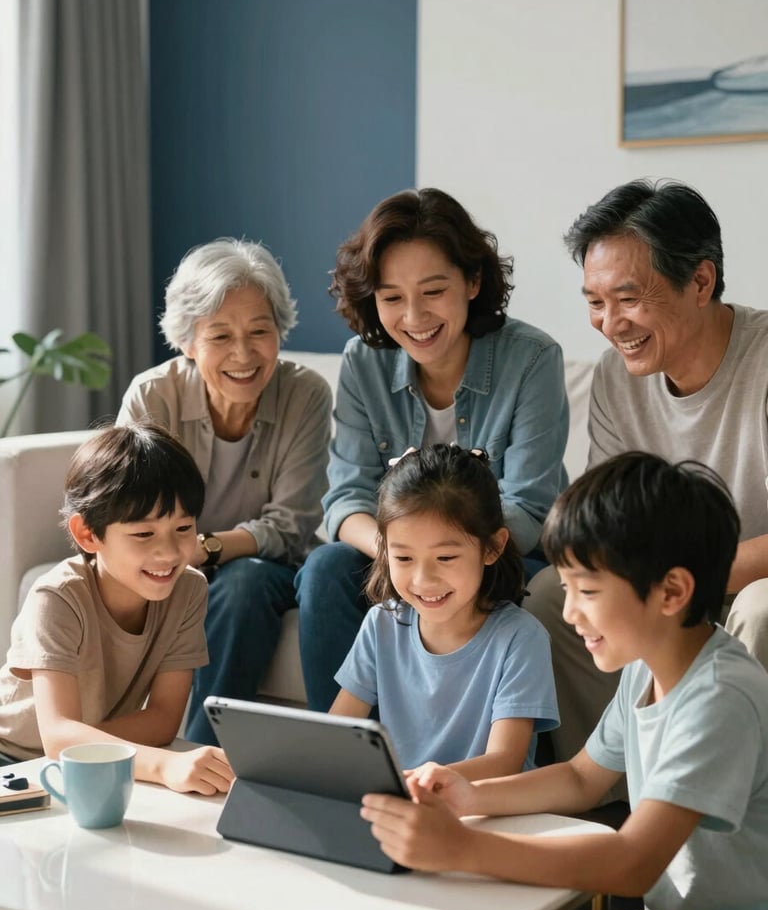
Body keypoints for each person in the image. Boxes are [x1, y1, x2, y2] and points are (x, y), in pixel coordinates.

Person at [361, 452, 768, 910]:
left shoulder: (718, 699)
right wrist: (469, 794)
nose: (570, 612)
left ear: (672, 592)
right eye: (568, 587)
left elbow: (632, 863)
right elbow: (581, 778)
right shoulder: (646, 669)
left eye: (589, 592)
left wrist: (464, 848)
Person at [296, 187, 569, 710]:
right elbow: (345, 500)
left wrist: (436, 557)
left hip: (502, 558)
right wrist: (405, 559)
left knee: (531, 596)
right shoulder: (363, 361)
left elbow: (530, 508)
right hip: (398, 554)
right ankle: (334, 759)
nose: (414, 316)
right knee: (326, 569)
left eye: (433, 291)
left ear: (472, 282)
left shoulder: (532, 359)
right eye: (392, 296)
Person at [526, 178, 768, 771]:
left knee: (761, 608)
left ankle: (732, 813)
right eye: (594, 301)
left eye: (628, 299)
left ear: (701, 282)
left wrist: (683, 583)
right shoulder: (615, 379)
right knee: (547, 600)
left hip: (750, 578)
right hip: (668, 580)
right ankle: (616, 792)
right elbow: (609, 526)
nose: (611, 323)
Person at [117, 238, 332, 745]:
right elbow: (126, 514)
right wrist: (180, 556)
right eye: (220, 336)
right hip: (167, 566)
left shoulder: (307, 394)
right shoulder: (153, 396)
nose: (243, 353)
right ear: (188, 341)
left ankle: (202, 750)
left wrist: (207, 548)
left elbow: (292, 525)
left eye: (260, 330)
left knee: (244, 582)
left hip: (269, 570)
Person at [0, 421, 234, 795]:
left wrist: (86, 744)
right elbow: (57, 735)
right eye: (144, 533)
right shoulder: (57, 597)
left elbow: (163, 719)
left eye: (184, 528)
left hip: (83, 760)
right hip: (13, 760)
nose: (169, 552)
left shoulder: (189, 589)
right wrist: (162, 764)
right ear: (88, 534)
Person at [330, 444, 559, 779]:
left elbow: (505, 761)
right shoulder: (382, 623)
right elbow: (336, 732)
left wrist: (416, 783)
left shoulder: (521, 637)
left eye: (446, 558)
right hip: (405, 805)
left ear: (492, 547)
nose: (423, 580)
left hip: (485, 810)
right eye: (404, 558)